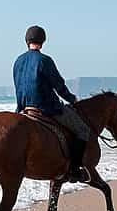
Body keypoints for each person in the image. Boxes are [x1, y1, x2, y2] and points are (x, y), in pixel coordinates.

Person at [12, 25, 91, 182]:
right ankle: (74, 170)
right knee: (83, 130)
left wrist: (19, 109)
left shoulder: (18, 61)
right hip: (46, 108)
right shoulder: (44, 60)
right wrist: (72, 99)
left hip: (24, 108)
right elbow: (59, 86)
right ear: (42, 41)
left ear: (26, 41)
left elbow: (18, 87)